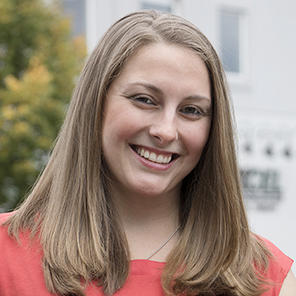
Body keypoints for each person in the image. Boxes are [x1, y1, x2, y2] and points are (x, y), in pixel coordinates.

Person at [0, 9, 295, 296]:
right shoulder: (6, 255)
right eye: (145, 100)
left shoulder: (265, 278)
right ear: (96, 103)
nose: (166, 131)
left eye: (191, 110)